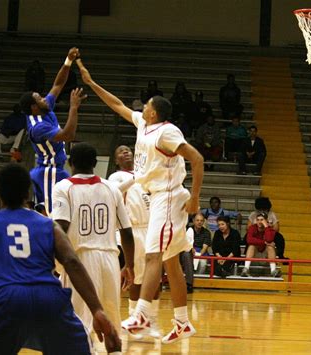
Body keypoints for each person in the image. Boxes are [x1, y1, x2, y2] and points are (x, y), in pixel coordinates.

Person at [79, 60, 203, 344]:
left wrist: (195, 197)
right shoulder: (142, 124)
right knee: (171, 263)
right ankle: (182, 321)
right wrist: (90, 82)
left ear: (155, 111)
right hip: (158, 194)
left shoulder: (167, 131)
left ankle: (142, 314)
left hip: (168, 195)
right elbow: (118, 105)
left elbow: (197, 158)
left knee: (152, 255)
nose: (141, 106)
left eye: (146, 104)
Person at [0, 163, 121, 354]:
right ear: (27, 194)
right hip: (49, 298)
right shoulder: (50, 225)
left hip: (5, 297)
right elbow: (72, 262)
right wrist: (96, 309)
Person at [52, 143, 135, 351]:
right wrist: (130, 266)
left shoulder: (63, 187)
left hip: (79, 261)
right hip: (110, 260)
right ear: (96, 164)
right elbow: (126, 231)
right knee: (111, 322)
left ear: (70, 163)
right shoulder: (111, 188)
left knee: (79, 322)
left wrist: (52, 262)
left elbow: (60, 228)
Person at [19, 47, 84, 216]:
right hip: (49, 170)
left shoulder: (44, 108)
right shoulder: (38, 127)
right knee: (54, 213)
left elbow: (58, 84)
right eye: (39, 98)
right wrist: (74, 108)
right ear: (34, 107)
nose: (44, 97)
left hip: (55, 169)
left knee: (61, 211)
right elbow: (68, 136)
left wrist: (68, 61)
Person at [108, 145, 161, 339]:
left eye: (128, 150)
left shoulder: (145, 175)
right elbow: (115, 191)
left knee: (156, 276)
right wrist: (138, 176)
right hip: (133, 229)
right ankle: (134, 319)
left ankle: (152, 320)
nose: (126, 152)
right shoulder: (116, 177)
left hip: (152, 227)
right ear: (116, 160)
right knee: (136, 277)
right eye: (120, 151)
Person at [180, 213, 212, 291]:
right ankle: (189, 282)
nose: (199, 222)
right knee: (187, 256)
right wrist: (191, 248)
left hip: (201, 252)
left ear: (204, 221)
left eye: (201, 220)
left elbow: (205, 247)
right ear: (193, 221)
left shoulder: (207, 232)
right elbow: (185, 242)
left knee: (203, 263)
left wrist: (198, 255)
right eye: (197, 220)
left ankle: (197, 281)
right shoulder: (188, 229)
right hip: (188, 250)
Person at [241, 213, 279, 277]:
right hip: (255, 253)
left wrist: (266, 227)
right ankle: (246, 269)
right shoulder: (252, 228)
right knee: (251, 246)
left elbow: (269, 240)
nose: (259, 221)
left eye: (262, 220)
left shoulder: (270, 229)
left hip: (265, 254)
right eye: (258, 220)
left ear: (266, 220)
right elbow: (249, 240)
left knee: (270, 247)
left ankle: (273, 271)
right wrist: (264, 242)